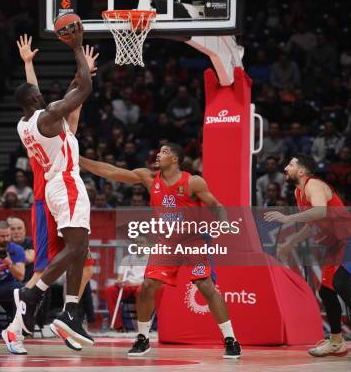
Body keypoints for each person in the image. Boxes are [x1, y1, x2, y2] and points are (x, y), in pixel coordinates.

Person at [80, 144, 242, 358]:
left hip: (192, 240)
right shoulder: (148, 178)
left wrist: (223, 225)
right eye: (158, 151)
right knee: (148, 286)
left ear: (175, 159)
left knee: (206, 286)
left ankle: (231, 339)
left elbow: (216, 205)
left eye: (164, 152)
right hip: (166, 242)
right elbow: (110, 171)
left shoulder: (192, 181)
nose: (158, 154)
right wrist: (79, 159)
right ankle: (143, 338)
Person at [3, 34, 97, 354]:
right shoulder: (48, 117)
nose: (43, 96)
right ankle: (26, 309)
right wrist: (76, 50)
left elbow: (45, 97)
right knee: (52, 263)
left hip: (57, 190)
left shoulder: (25, 123)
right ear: (35, 101)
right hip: (57, 190)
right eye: (38, 95)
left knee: (81, 256)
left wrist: (29, 64)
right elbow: (81, 91)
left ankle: (69, 313)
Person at [264, 155, 351, 361]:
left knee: (341, 284)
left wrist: (288, 218)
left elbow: (319, 212)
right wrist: (291, 242)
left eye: (290, 165)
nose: (285, 168)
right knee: (327, 292)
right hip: (334, 246)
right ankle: (337, 342)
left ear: (301, 171)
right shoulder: (298, 191)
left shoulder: (315, 186)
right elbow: (313, 224)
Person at [105, 243, 148, 332]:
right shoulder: (127, 259)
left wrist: (134, 283)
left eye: (142, 243)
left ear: (146, 245)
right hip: (127, 286)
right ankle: (118, 326)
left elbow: (150, 281)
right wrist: (119, 282)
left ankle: (142, 326)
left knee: (141, 291)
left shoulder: (150, 260)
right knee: (110, 290)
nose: (139, 246)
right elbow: (120, 277)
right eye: (137, 243)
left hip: (141, 285)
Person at [7, 216, 34, 281]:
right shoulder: (4, 243)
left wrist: (8, 258)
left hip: (28, 280)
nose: (16, 232)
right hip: (8, 281)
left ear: (24, 230)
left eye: (19, 228)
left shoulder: (30, 242)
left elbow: (30, 258)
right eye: (12, 229)